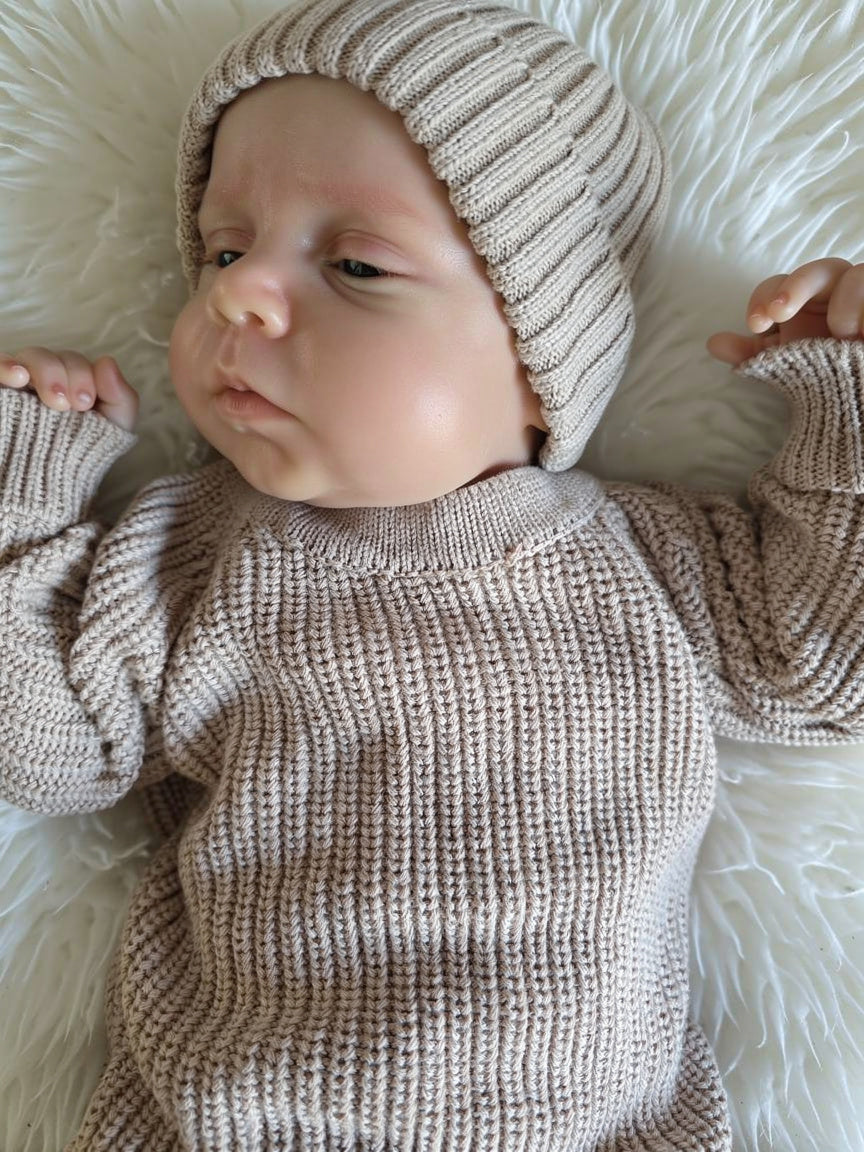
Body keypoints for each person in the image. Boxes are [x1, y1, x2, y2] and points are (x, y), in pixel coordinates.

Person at [1, 0, 863, 1147]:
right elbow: (49, 749)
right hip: (241, 1118)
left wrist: (852, 402)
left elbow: (827, 670)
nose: (235, 294)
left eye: (356, 264)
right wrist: (26, 489)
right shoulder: (191, 555)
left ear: (542, 356)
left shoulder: (650, 563)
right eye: (223, 248)